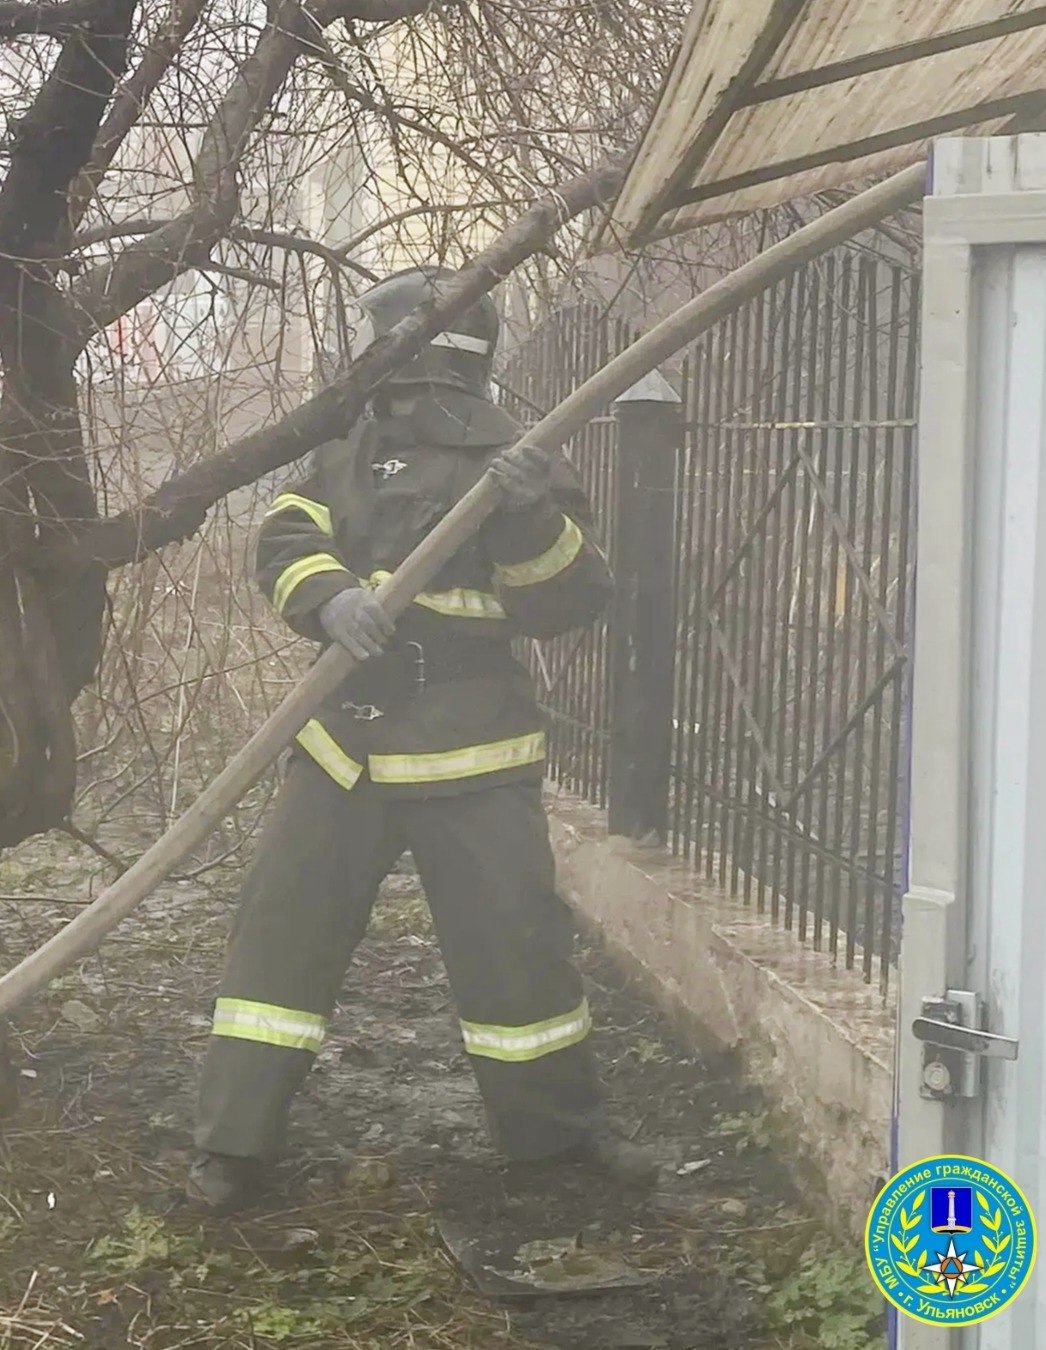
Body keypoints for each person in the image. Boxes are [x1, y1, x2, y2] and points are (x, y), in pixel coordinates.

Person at [188, 266, 651, 1211]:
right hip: (346, 745)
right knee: (280, 938)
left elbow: (570, 599)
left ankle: (556, 1139)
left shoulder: (520, 462)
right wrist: (329, 595)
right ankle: (232, 1144)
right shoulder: (348, 454)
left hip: (470, 751)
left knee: (514, 947)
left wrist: (527, 515)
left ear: (415, 358)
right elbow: (283, 536)